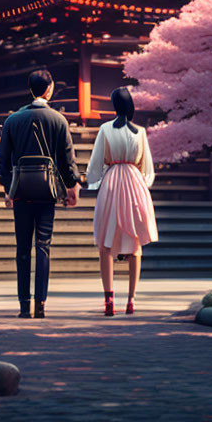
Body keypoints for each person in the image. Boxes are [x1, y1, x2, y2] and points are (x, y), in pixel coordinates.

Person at [0, 68, 82, 318]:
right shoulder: (58, 120)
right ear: (49, 89)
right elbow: (67, 161)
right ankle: (40, 306)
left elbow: (1, 160)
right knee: (43, 246)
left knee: (22, 248)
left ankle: (24, 306)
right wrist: (71, 186)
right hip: (47, 193)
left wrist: (8, 187)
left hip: (21, 191)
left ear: (30, 89)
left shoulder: (12, 120)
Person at [85, 86, 158, 316]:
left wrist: (89, 182)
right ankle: (131, 300)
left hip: (112, 181)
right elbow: (147, 168)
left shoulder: (105, 129)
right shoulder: (141, 132)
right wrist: (142, 185)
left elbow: (97, 163)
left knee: (106, 244)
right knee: (135, 244)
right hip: (135, 181)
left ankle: (109, 300)